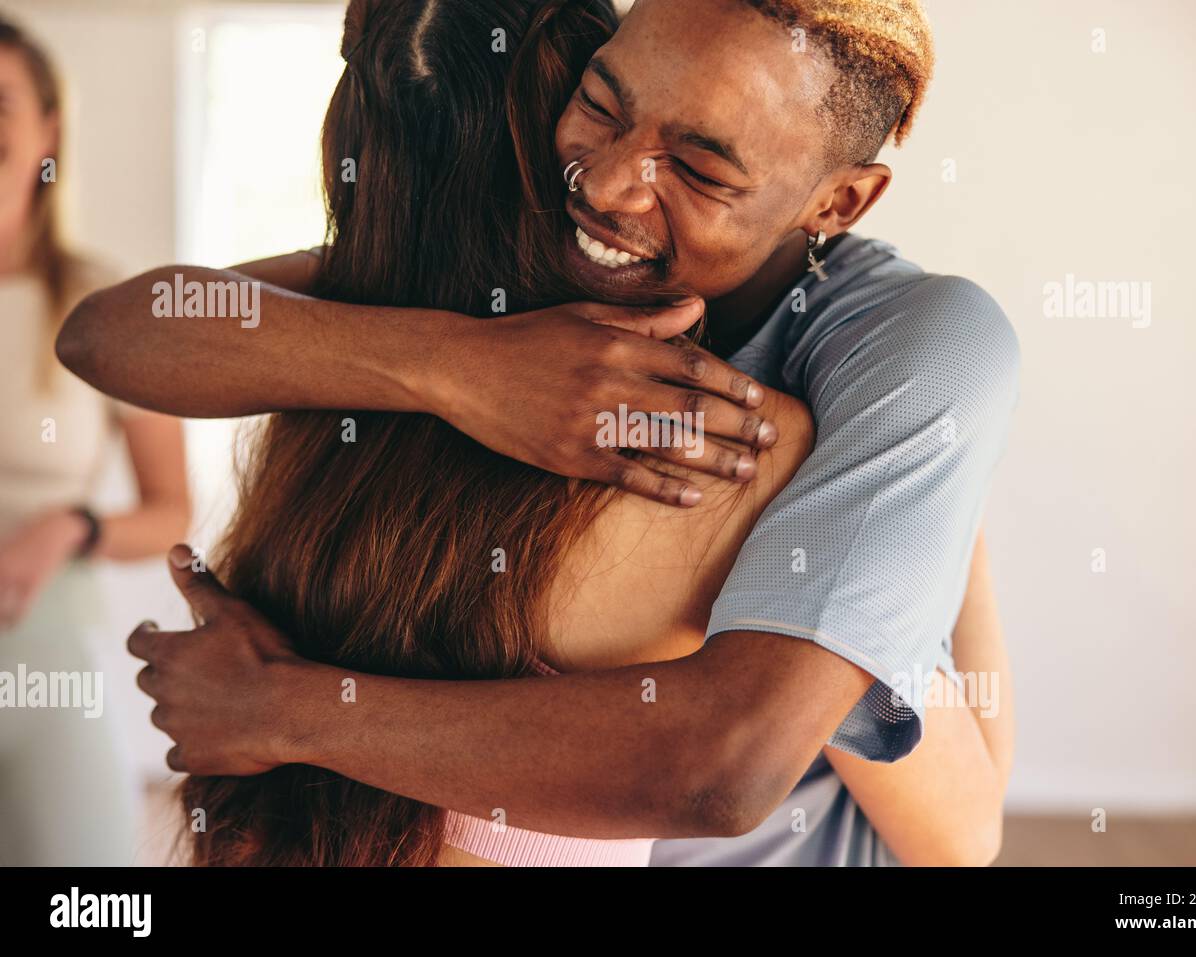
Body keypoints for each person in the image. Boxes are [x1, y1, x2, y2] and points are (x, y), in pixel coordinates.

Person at [63, 0, 1019, 866]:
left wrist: (282, 709)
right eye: (602, 105)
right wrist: (456, 367)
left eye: (697, 167)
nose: (606, 184)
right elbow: (109, 333)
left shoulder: (902, 350)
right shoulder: (536, 249)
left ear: (836, 203)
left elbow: (750, 772)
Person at [0, 15, 190, 865]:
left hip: (48, 669)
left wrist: (72, 526)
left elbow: (170, 509)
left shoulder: (105, 309)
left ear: (47, 131)